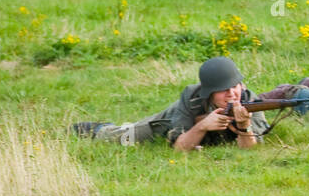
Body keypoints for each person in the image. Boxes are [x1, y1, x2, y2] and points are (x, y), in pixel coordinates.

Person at [73, 57, 268, 150]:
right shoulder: (191, 98)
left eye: (235, 86)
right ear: (209, 92)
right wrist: (202, 126)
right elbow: (179, 148)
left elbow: (250, 151)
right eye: (224, 89)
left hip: (216, 133)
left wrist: (244, 126)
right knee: (124, 135)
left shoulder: (250, 101)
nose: (232, 93)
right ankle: (96, 128)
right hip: (166, 123)